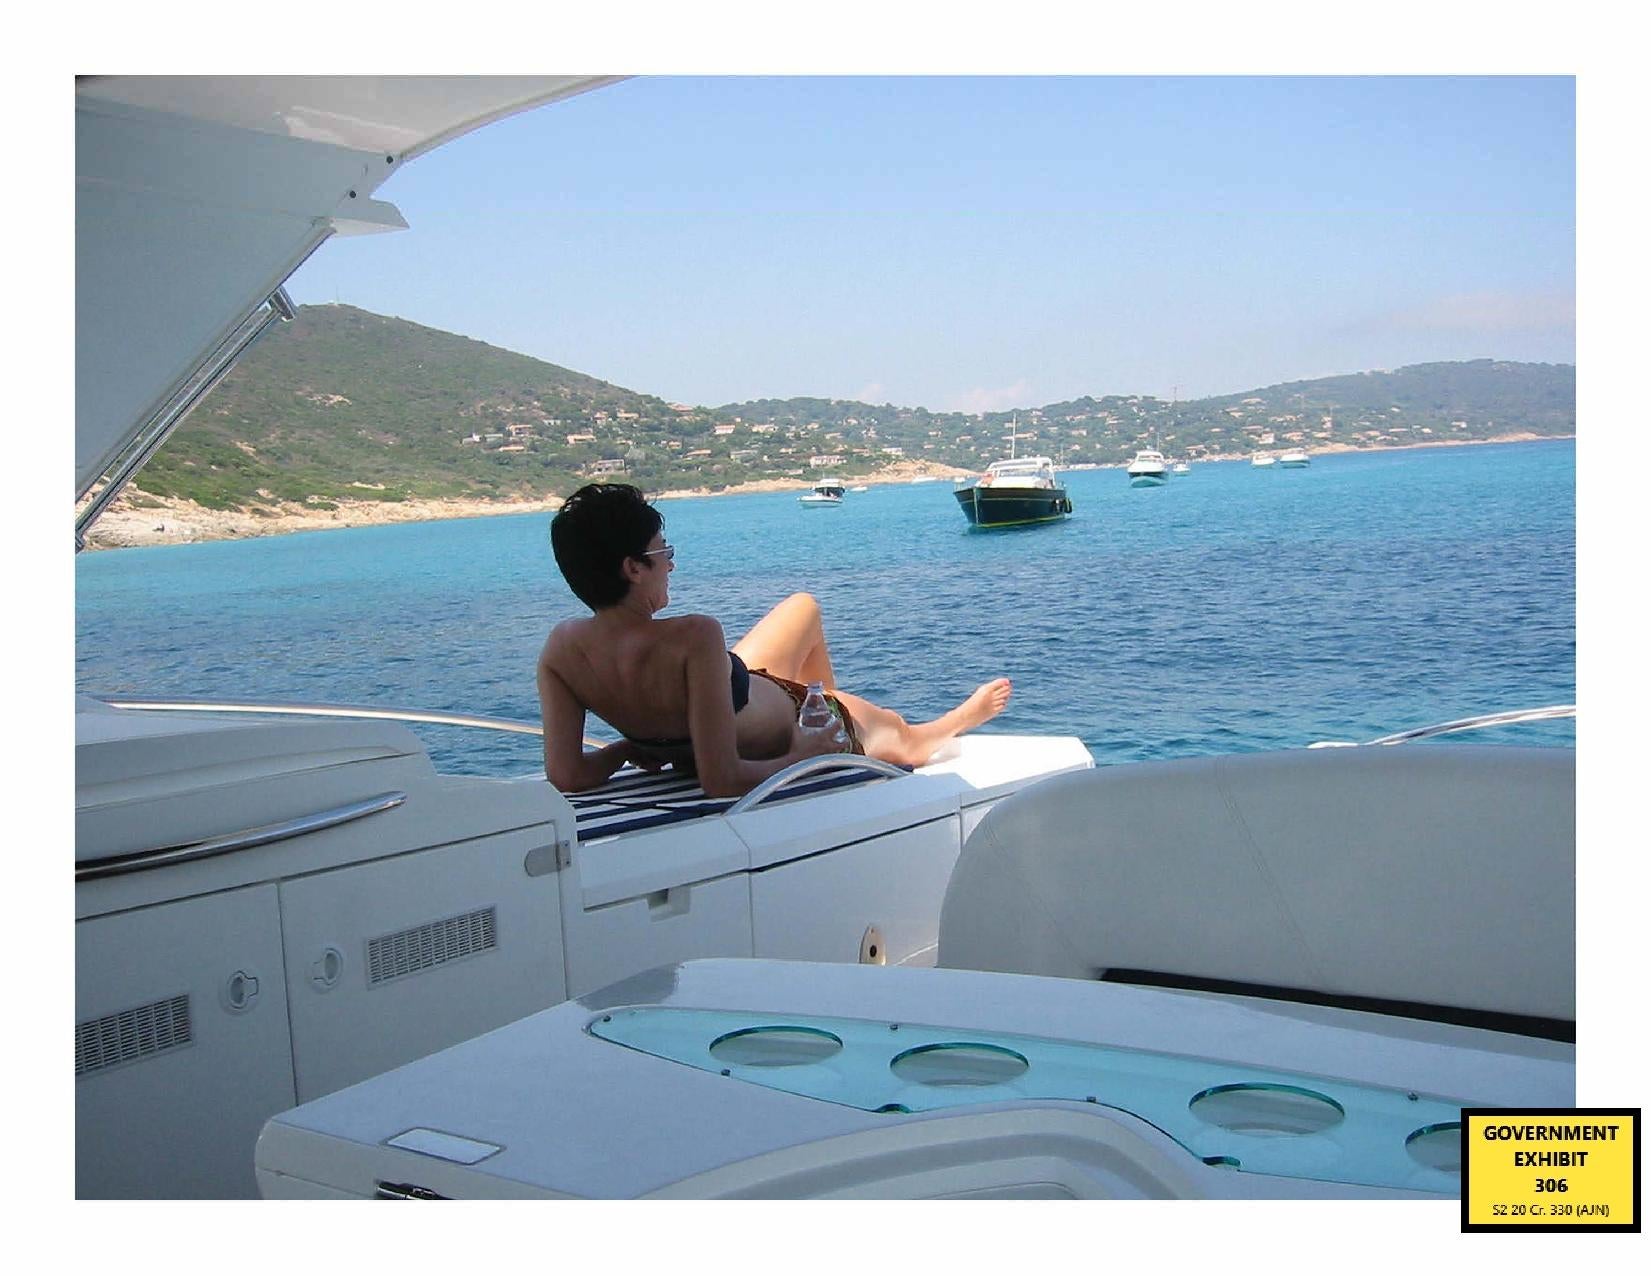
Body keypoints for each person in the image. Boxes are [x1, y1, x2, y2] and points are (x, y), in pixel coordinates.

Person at [538, 482, 1012, 797]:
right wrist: (802, 755)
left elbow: (566, 775)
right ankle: (947, 719)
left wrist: (624, 749)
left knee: (803, 608)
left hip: (742, 697)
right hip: (773, 727)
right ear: (633, 568)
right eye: (664, 552)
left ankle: (820, 700)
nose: (671, 564)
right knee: (904, 737)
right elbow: (721, 779)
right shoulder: (692, 637)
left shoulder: (561, 652)